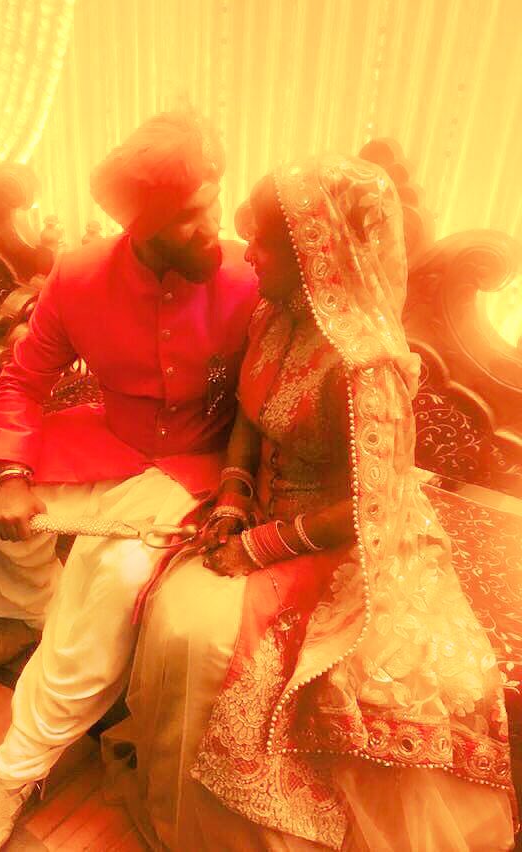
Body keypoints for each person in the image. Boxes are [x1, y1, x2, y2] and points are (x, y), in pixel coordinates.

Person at [110, 156, 516, 850]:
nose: (248, 255)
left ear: (314, 252)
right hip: (262, 516)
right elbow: (249, 416)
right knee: (165, 605)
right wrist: (234, 496)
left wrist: (260, 546)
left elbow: (369, 506)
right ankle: (172, 792)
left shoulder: (365, 366)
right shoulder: (275, 315)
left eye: (265, 244)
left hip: (344, 542)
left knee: (198, 633)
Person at [0, 111, 258, 852]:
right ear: (138, 228)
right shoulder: (79, 275)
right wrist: (14, 474)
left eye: (212, 203)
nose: (211, 227)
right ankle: (40, 620)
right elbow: (23, 380)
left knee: (113, 575)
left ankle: (15, 773)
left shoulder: (250, 277)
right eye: (187, 218)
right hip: (109, 437)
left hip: (198, 464)